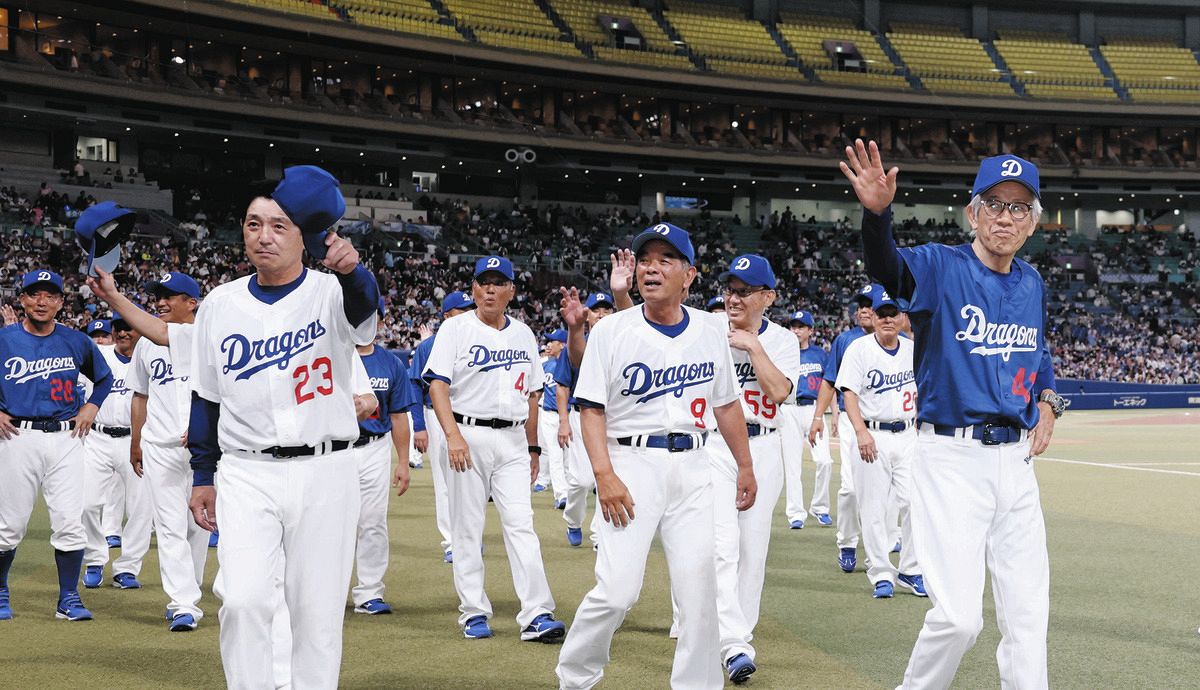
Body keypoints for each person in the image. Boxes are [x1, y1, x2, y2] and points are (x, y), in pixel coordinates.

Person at [841, 139, 1066, 689]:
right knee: (960, 618)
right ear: (972, 212)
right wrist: (877, 217)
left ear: (1033, 222)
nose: (1005, 217)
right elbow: (889, 269)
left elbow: (1038, 355)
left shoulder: (1032, 282)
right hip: (951, 456)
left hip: (1015, 463)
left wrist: (1049, 400)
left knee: (1028, 615)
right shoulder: (942, 266)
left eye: (1018, 207)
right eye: (994, 203)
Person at [186, 166, 381, 689]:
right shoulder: (219, 305)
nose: (263, 236)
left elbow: (365, 314)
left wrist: (354, 271)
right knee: (244, 600)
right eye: (253, 225)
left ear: (304, 238)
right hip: (247, 471)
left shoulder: (331, 290)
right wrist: (202, 474)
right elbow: (205, 398)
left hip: (327, 468)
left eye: (278, 225)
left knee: (316, 613)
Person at [556, 223, 757, 690]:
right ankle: (576, 676)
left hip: (694, 465)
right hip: (632, 464)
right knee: (617, 592)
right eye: (646, 259)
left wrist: (745, 465)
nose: (651, 267)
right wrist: (603, 474)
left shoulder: (710, 329)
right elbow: (590, 409)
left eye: (666, 259)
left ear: (689, 275)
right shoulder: (611, 331)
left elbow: (726, 404)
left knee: (699, 593)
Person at [423, 255, 565, 641]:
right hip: (468, 434)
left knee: (522, 525)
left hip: (514, 440)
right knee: (467, 529)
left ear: (511, 291)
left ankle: (537, 613)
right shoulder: (454, 330)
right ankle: (473, 611)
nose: (489, 288)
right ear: (473, 289)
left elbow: (534, 395)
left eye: (498, 282)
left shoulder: (522, 333)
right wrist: (452, 436)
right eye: (483, 281)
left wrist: (534, 448)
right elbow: (437, 385)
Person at [87, 269, 214, 632]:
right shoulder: (145, 344)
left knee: (198, 527)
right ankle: (183, 602)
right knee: (170, 525)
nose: (160, 301)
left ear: (192, 303)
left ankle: (191, 590)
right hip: (159, 446)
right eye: (157, 295)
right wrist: (137, 441)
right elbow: (139, 396)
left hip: (202, 449)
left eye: (169, 295)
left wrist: (208, 427)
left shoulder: (207, 338)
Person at [706, 254, 800, 682]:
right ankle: (734, 644)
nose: (734, 298)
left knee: (752, 549)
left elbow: (780, 392)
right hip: (716, 445)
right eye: (730, 290)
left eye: (744, 291)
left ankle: (737, 631)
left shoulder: (782, 339)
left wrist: (753, 345)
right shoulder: (708, 331)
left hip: (764, 445)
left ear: (768, 297)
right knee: (722, 545)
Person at [0, 270, 113, 622]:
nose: (41, 301)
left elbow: (104, 378)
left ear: (62, 302)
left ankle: (68, 599)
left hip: (66, 437)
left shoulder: (76, 341)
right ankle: (1, 591)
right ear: (22, 299)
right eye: (34, 294)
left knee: (69, 520)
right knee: (10, 525)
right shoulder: (5, 339)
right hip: (17, 436)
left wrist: (91, 407)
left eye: (50, 295)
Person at [834, 289, 925, 599]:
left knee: (915, 503)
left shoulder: (914, 349)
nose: (888, 318)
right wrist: (860, 432)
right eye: (882, 313)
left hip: (909, 434)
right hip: (873, 434)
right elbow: (849, 394)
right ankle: (881, 573)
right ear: (872, 317)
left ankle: (911, 570)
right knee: (872, 508)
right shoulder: (858, 349)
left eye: (894, 313)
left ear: (903, 318)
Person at [350, 301, 415, 616]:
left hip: (375, 445)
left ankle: (369, 592)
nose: (366, 319)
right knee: (330, 525)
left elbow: (400, 416)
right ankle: (324, 592)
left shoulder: (391, 363)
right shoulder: (333, 354)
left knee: (373, 521)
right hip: (335, 449)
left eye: (371, 314)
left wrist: (403, 462)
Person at [808, 284, 878, 573]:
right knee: (850, 488)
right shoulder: (845, 340)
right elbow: (829, 380)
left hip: (888, 423)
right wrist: (817, 418)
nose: (863, 309)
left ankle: (880, 549)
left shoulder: (900, 341)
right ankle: (848, 542)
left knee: (885, 493)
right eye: (860, 304)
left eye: (870, 304)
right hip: (853, 420)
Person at [80, 313, 151, 591]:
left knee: (140, 508)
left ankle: (127, 568)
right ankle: (95, 558)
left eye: (129, 328)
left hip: (139, 440)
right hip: (97, 437)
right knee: (85, 503)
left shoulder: (150, 356)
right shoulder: (97, 355)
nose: (123, 333)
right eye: (118, 328)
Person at [408, 291, 475, 563]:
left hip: (469, 414)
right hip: (436, 415)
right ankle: (451, 541)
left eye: (471, 308)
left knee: (470, 481)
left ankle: (469, 537)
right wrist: (420, 425)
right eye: (462, 310)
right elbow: (415, 386)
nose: (469, 313)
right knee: (444, 481)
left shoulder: (477, 341)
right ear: (447, 316)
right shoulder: (428, 347)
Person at [780, 310, 834, 529]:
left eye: (801, 327)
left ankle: (820, 507)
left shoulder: (820, 355)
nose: (796, 330)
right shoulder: (783, 353)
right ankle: (795, 513)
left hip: (814, 410)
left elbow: (829, 386)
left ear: (810, 330)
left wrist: (835, 414)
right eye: (793, 326)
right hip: (789, 409)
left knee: (825, 461)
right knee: (792, 465)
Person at [537, 328, 569, 506]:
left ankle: (570, 493)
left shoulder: (572, 365)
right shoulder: (545, 365)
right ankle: (561, 495)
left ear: (562, 345)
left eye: (553, 341)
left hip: (569, 416)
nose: (549, 344)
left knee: (569, 459)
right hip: (549, 415)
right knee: (555, 455)